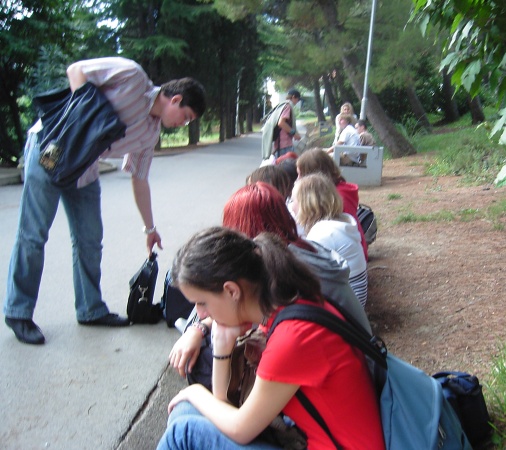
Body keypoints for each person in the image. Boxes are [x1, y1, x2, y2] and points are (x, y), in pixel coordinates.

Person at [4, 57, 206, 345]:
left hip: (84, 168)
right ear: (175, 99)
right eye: (185, 117)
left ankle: (90, 309)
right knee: (33, 234)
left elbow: (140, 180)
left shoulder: (150, 135)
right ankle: (18, 312)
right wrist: (84, 116)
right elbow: (76, 70)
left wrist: (150, 229)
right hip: (53, 147)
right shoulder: (132, 77)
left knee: (90, 239)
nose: (182, 124)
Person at [158, 227, 384, 449]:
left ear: (231, 291)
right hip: (314, 437)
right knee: (185, 412)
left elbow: (239, 429)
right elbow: (226, 407)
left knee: (183, 431)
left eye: (202, 303)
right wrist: (221, 347)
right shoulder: (285, 303)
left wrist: (194, 392)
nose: (200, 314)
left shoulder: (292, 337)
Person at [168, 182, 372, 386]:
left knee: (202, 365)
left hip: (348, 373)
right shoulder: (291, 257)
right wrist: (198, 328)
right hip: (361, 362)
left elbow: (239, 311)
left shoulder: (284, 283)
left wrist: (199, 384)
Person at [291, 174, 368, 307]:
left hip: (344, 308)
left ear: (307, 203)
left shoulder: (323, 233)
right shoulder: (339, 221)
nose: (291, 206)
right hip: (353, 300)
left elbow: (306, 277)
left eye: (293, 200)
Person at [296, 148, 369, 260]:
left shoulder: (333, 198)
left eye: (300, 174)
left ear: (312, 175)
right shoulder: (340, 189)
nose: (298, 179)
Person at [261, 89, 302, 160]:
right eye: (297, 99)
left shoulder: (282, 105)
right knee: (286, 165)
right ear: (293, 97)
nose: (297, 102)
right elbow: (281, 123)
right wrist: (294, 133)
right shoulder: (288, 106)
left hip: (280, 144)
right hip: (284, 144)